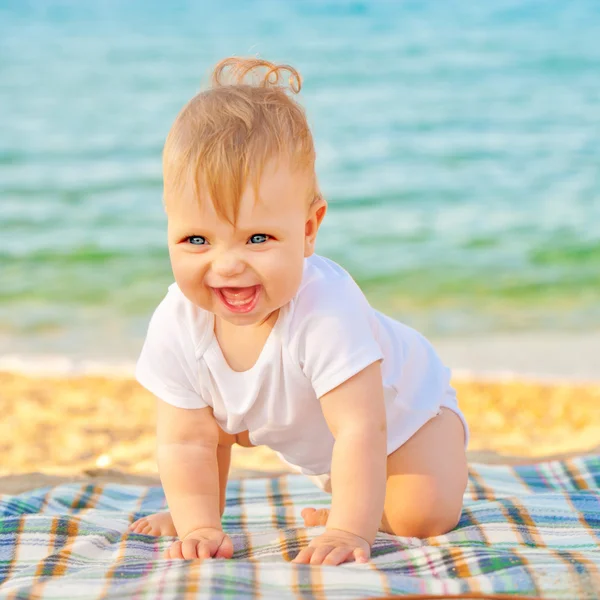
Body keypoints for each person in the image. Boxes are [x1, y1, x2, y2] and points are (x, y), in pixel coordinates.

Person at [129, 57, 469, 566]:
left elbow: (361, 429)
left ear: (309, 229)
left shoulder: (326, 309)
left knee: (421, 517)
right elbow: (184, 443)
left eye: (258, 238)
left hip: (408, 418)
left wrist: (348, 529)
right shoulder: (179, 320)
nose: (227, 265)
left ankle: (358, 503)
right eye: (196, 239)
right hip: (316, 432)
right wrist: (196, 523)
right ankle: (200, 511)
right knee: (200, 424)